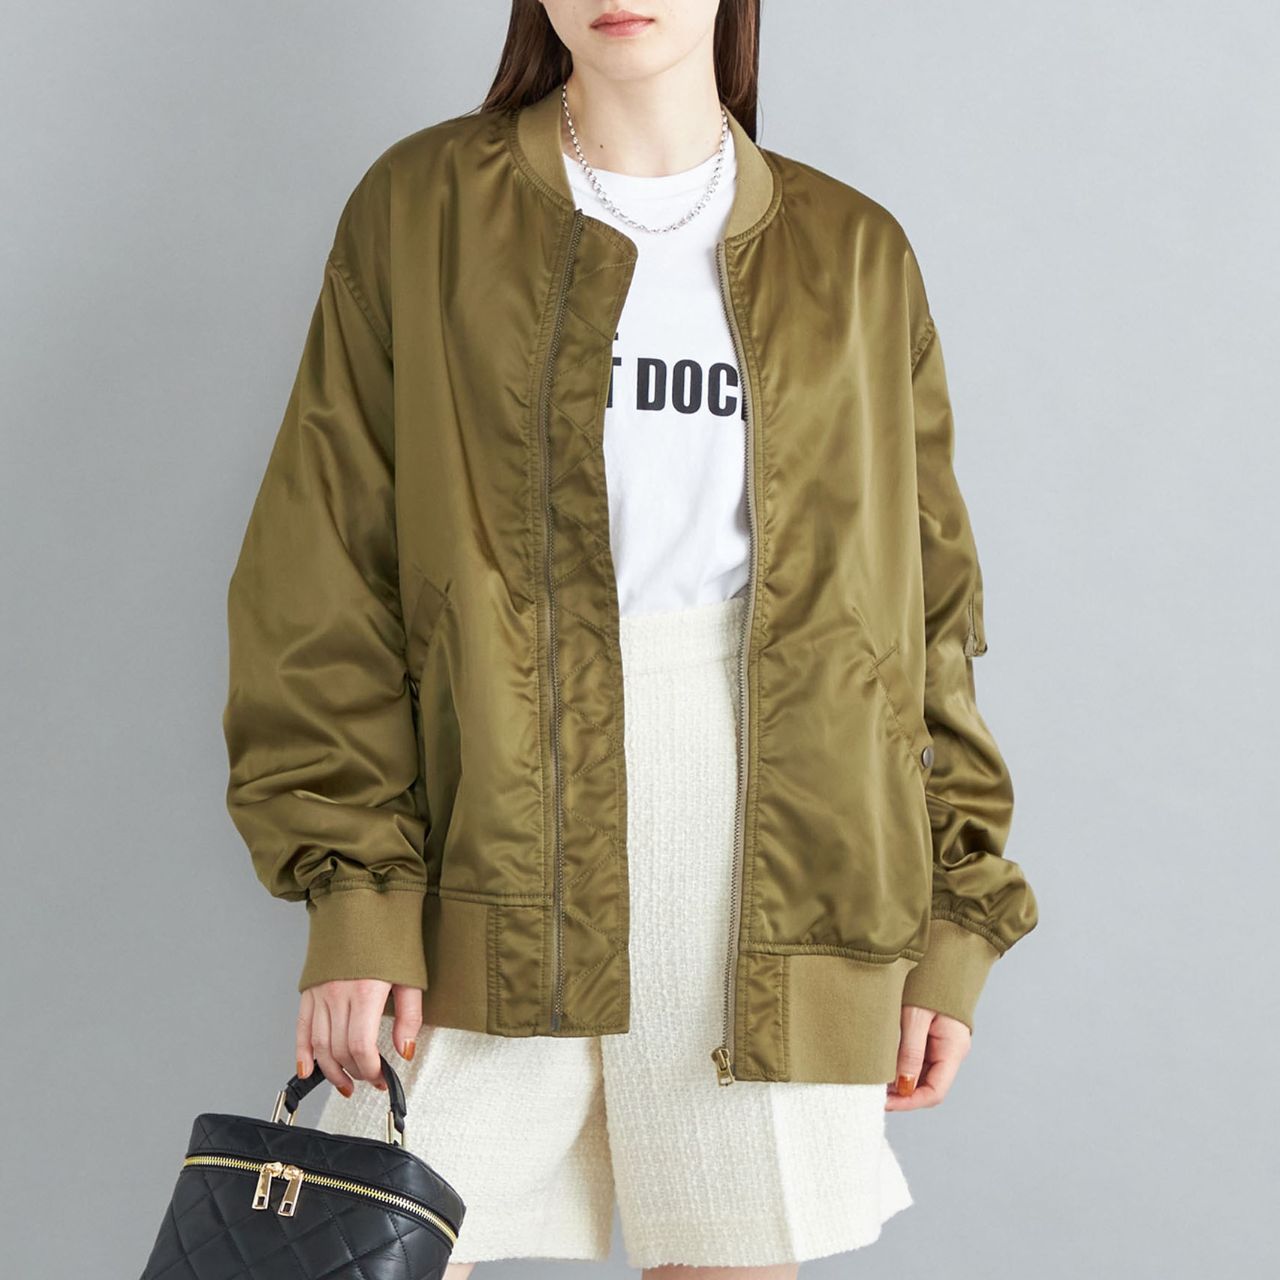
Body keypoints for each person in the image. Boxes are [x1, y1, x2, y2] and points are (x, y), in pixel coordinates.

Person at [221, 1, 1039, 1274]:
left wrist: (954, 915)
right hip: (492, 839)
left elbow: (924, 619)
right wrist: (357, 895)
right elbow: (322, 571)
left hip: (778, 860)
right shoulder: (424, 209)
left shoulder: (853, 254)